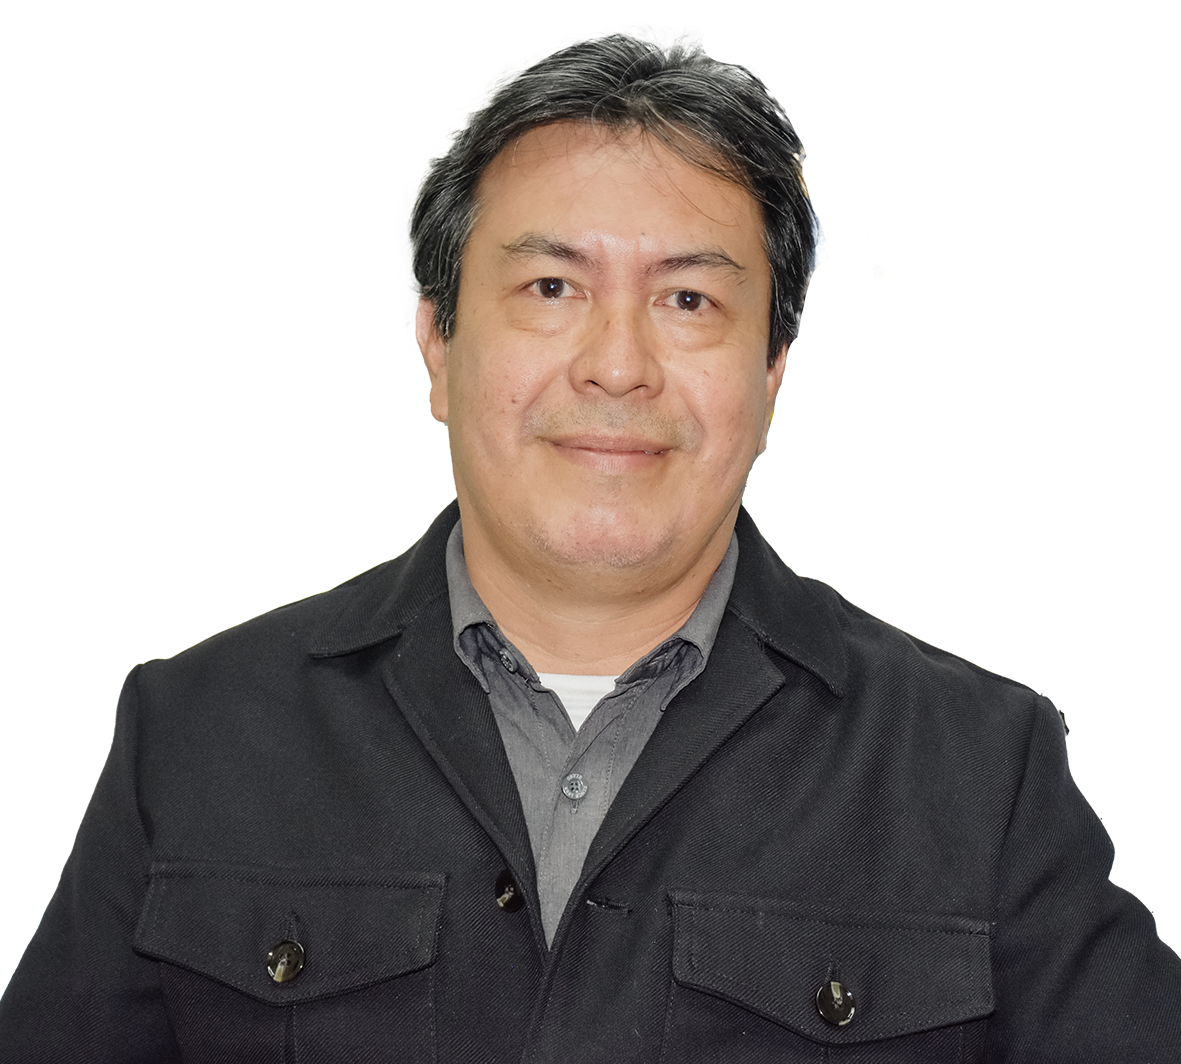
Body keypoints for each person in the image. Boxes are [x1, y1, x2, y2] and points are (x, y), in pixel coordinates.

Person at [2, 31, 1179, 1063]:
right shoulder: (198, 733)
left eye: (687, 300)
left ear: (772, 365)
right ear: (436, 339)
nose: (617, 365)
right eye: (551, 285)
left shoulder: (975, 767)